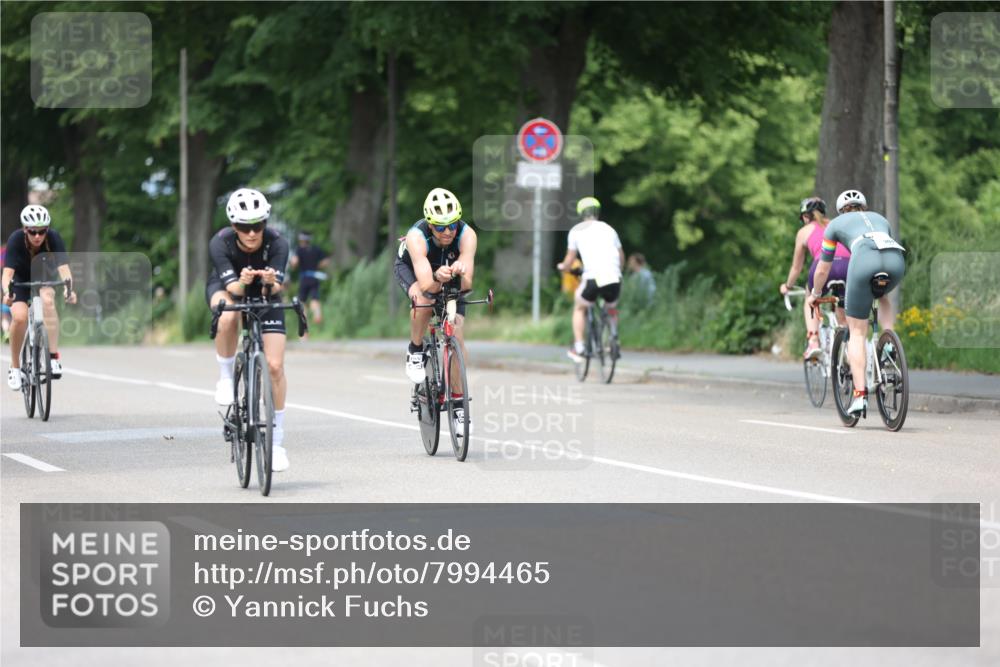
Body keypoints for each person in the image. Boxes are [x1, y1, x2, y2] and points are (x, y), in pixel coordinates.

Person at [206, 188, 293, 472]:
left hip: (266, 295)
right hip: (228, 288)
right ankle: (225, 377)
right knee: (228, 317)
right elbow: (233, 289)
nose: (252, 233)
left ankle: (277, 443)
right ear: (234, 226)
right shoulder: (220, 243)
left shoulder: (277, 242)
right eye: (245, 227)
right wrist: (244, 282)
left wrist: (269, 280)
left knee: (276, 366)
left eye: (258, 225)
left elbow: (278, 287)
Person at [807, 189, 905, 415]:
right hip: (895, 261)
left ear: (841, 210)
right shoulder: (880, 219)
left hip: (863, 261)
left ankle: (860, 395)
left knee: (857, 332)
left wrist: (815, 293)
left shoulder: (835, 225)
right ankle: (889, 342)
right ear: (865, 206)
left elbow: (823, 268)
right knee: (882, 296)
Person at [393, 187, 478, 435]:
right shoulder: (416, 237)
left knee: (458, 338)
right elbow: (428, 286)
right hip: (415, 271)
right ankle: (416, 349)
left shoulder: (467, 235)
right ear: (430, 225)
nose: (448, 231)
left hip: (449, 275)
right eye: (440, 227)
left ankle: (459, 406)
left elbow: (468, 283)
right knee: (424, 300)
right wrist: (438, 278)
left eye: (452, 224)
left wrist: (459, 272)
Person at [2, 205, 77, 390]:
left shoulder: (54, 238)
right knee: (19, 317)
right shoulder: (15, 239)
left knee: (48, 301)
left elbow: (64, 269)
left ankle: (52, 358)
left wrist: (69, 290)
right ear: (25, 229)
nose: (38, 236)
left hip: (43, 275)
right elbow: (7, 273)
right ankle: (15, 367)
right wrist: (7, 292)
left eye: (42, 231)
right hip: (20, 279)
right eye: (33, 232)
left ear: (47, 230)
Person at [780, 196, 850, 359]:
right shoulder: (835, 224)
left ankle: (813, 340)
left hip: (824, 267)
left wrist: (788, 286)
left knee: (810, 298)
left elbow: (796, 268)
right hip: (847, 266)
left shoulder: (804, 232)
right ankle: (847, 347)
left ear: (805, 216)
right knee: (843, 312)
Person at [556, 196, 624, 363]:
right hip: (614, 277)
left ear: (581, 213)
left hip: (593, 277)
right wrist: (618, 271)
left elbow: (570, 259)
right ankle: (613, 339)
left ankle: (579, 347)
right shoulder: (609, 229)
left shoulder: (576, 231)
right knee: (611, 307)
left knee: (580, 307)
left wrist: (563, 267)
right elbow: (621, 255)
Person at [289, 231, 330, 326]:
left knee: (302, 301)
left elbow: (295, 262)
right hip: (314, 277)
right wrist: (318, 265)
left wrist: (292, 264)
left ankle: (304, 321)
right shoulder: (316, 249)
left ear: (301, 240)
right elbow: (326, 261)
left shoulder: (299, 250)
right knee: (315, 298)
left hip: (304, 278)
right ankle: (317, 313)